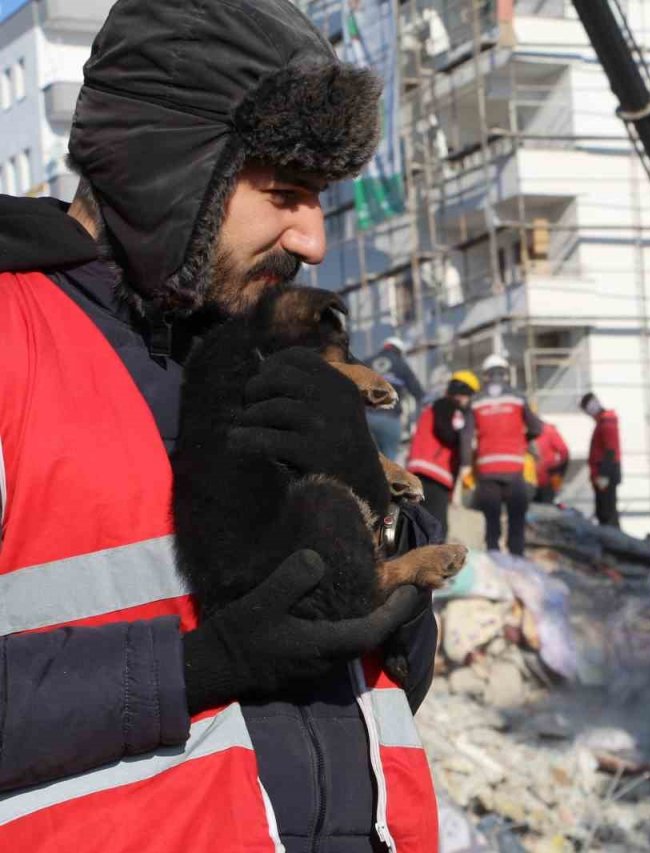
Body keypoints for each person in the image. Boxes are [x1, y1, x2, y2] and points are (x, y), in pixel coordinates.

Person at [0, 1, 442, 849]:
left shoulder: (269, 355)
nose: (314, 239)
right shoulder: (15, 343)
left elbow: (396, 674)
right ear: (170, 170)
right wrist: (193, 668)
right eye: (284, 193)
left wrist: (371, 517)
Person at [461, 353, 543, 556]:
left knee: (491, 519)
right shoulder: (517, 397)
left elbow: (466, 435)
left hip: (487, 470)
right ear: (505, 374)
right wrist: (524, 436)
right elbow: (537, 427)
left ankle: (495, 558)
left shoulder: (476, 401)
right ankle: (517, 559)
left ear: (486, 375)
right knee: (516, 518)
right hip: (514, 469)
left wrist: (465, 465)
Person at [407, 370, 479, 539]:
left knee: (418, 525)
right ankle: (432, 564)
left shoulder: (431, 407)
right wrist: (461, 441)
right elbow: (446, 433)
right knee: (437, 529)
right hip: (435, 474)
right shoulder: (449, 407)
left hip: (417, 473)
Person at [365, 335, 427, 459]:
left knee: (368, 459)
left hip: (366, 417)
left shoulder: (367, 362)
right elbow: (417, 392)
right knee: (389, 461)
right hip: (390, 417)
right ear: (399, 351)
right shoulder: (401, 365)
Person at [581, 392, 621, 528]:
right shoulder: (602, 422)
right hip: (602, 475)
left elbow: (610, 450)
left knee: (607, 513)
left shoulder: (606, 422)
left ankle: (616, 545)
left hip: (605, 475)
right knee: (604, 513)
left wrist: (604, 475)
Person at [532, 418, 570, 504]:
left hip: (546, 484)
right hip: (528, 483)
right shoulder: (520, 432)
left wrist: (557, 475)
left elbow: (564, 453)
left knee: (546, 509)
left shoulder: (548, 431)